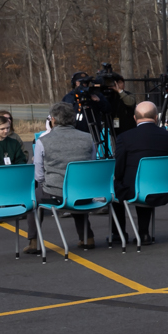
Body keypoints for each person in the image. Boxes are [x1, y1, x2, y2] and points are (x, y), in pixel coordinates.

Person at [111, 101, 168, 244]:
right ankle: (143, 233)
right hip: (167, 188)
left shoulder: (125, 137)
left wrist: (118, 179)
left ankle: (118, 234)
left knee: (117, 185)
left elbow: (119, 167)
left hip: (138, 191)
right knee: (142, 182)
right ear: (156, 117)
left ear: (135, 119)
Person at [34, 99, 99, 249]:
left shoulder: (43, 141)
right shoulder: (88, 138)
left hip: (56, 192)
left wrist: (44, 182)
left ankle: (33, 240)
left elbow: (38, 174)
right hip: (83, 191)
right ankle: (87, 236)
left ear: (53, 120)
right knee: (75, 186)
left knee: (33, 198)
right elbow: (92, 163)